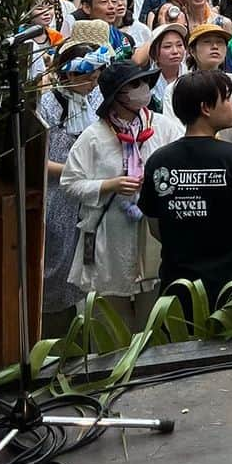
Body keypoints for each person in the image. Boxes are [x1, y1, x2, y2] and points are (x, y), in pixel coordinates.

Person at [138, 71, 232, 308]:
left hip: (178, 289)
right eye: (227, 98)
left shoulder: (158, 161)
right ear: (206, 108)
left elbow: (155, 227)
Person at [60, 60, 174, 328]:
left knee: (153, 315)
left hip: (153, 232)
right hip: (110, 235)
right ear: (117, 95)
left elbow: (179, 167)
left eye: (145, 82)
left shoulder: (163, 127)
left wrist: (158, 183)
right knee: (111, 318)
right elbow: (70, 182)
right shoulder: (94, 136)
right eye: (135, 84)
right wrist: (110, 185)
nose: (144, 89)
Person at [35, 41, 108, 334]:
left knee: (90, 258)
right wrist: (75, 173)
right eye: (85, 75)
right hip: (57, 196)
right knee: (57, 260)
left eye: (97, 74)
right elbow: (38, 160)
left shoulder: (97, 97)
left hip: (93, 192)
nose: (92, 82)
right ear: (67, 75)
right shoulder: (48, 105)